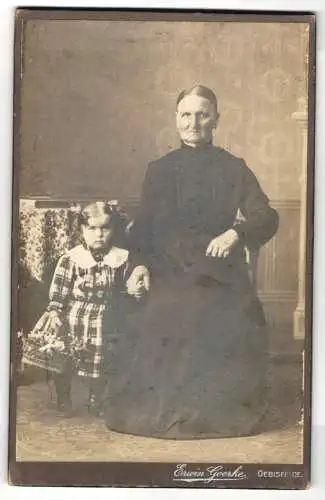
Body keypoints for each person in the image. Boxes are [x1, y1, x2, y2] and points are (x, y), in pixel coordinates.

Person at [104, 85, 279, 439]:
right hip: (166, 268)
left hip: (218, 270)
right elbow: (144, 229)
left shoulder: (234, 168)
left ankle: (210, 415)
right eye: (186, 114)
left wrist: (236, 234)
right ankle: (163, 411)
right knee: (161, 308)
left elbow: (266, 214)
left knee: (212, 310)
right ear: (176, 119)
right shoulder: (159, 169)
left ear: (216, 119)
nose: (193, 122)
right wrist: (138, 265)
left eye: (202, 114)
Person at [25, 201, 146, 416]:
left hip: (106, 316)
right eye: (92, 228)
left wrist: (133, 292)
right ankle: (64, 396)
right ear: (82, 229)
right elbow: (59, 291)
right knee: (64, 357)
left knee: (101, 360)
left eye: (105, 228)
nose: (99, 234)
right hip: (75, 316)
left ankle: (95, 398)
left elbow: (125, 287)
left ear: (113, 229)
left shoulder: (121, 258)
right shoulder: (72, 259)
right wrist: (54, 311)